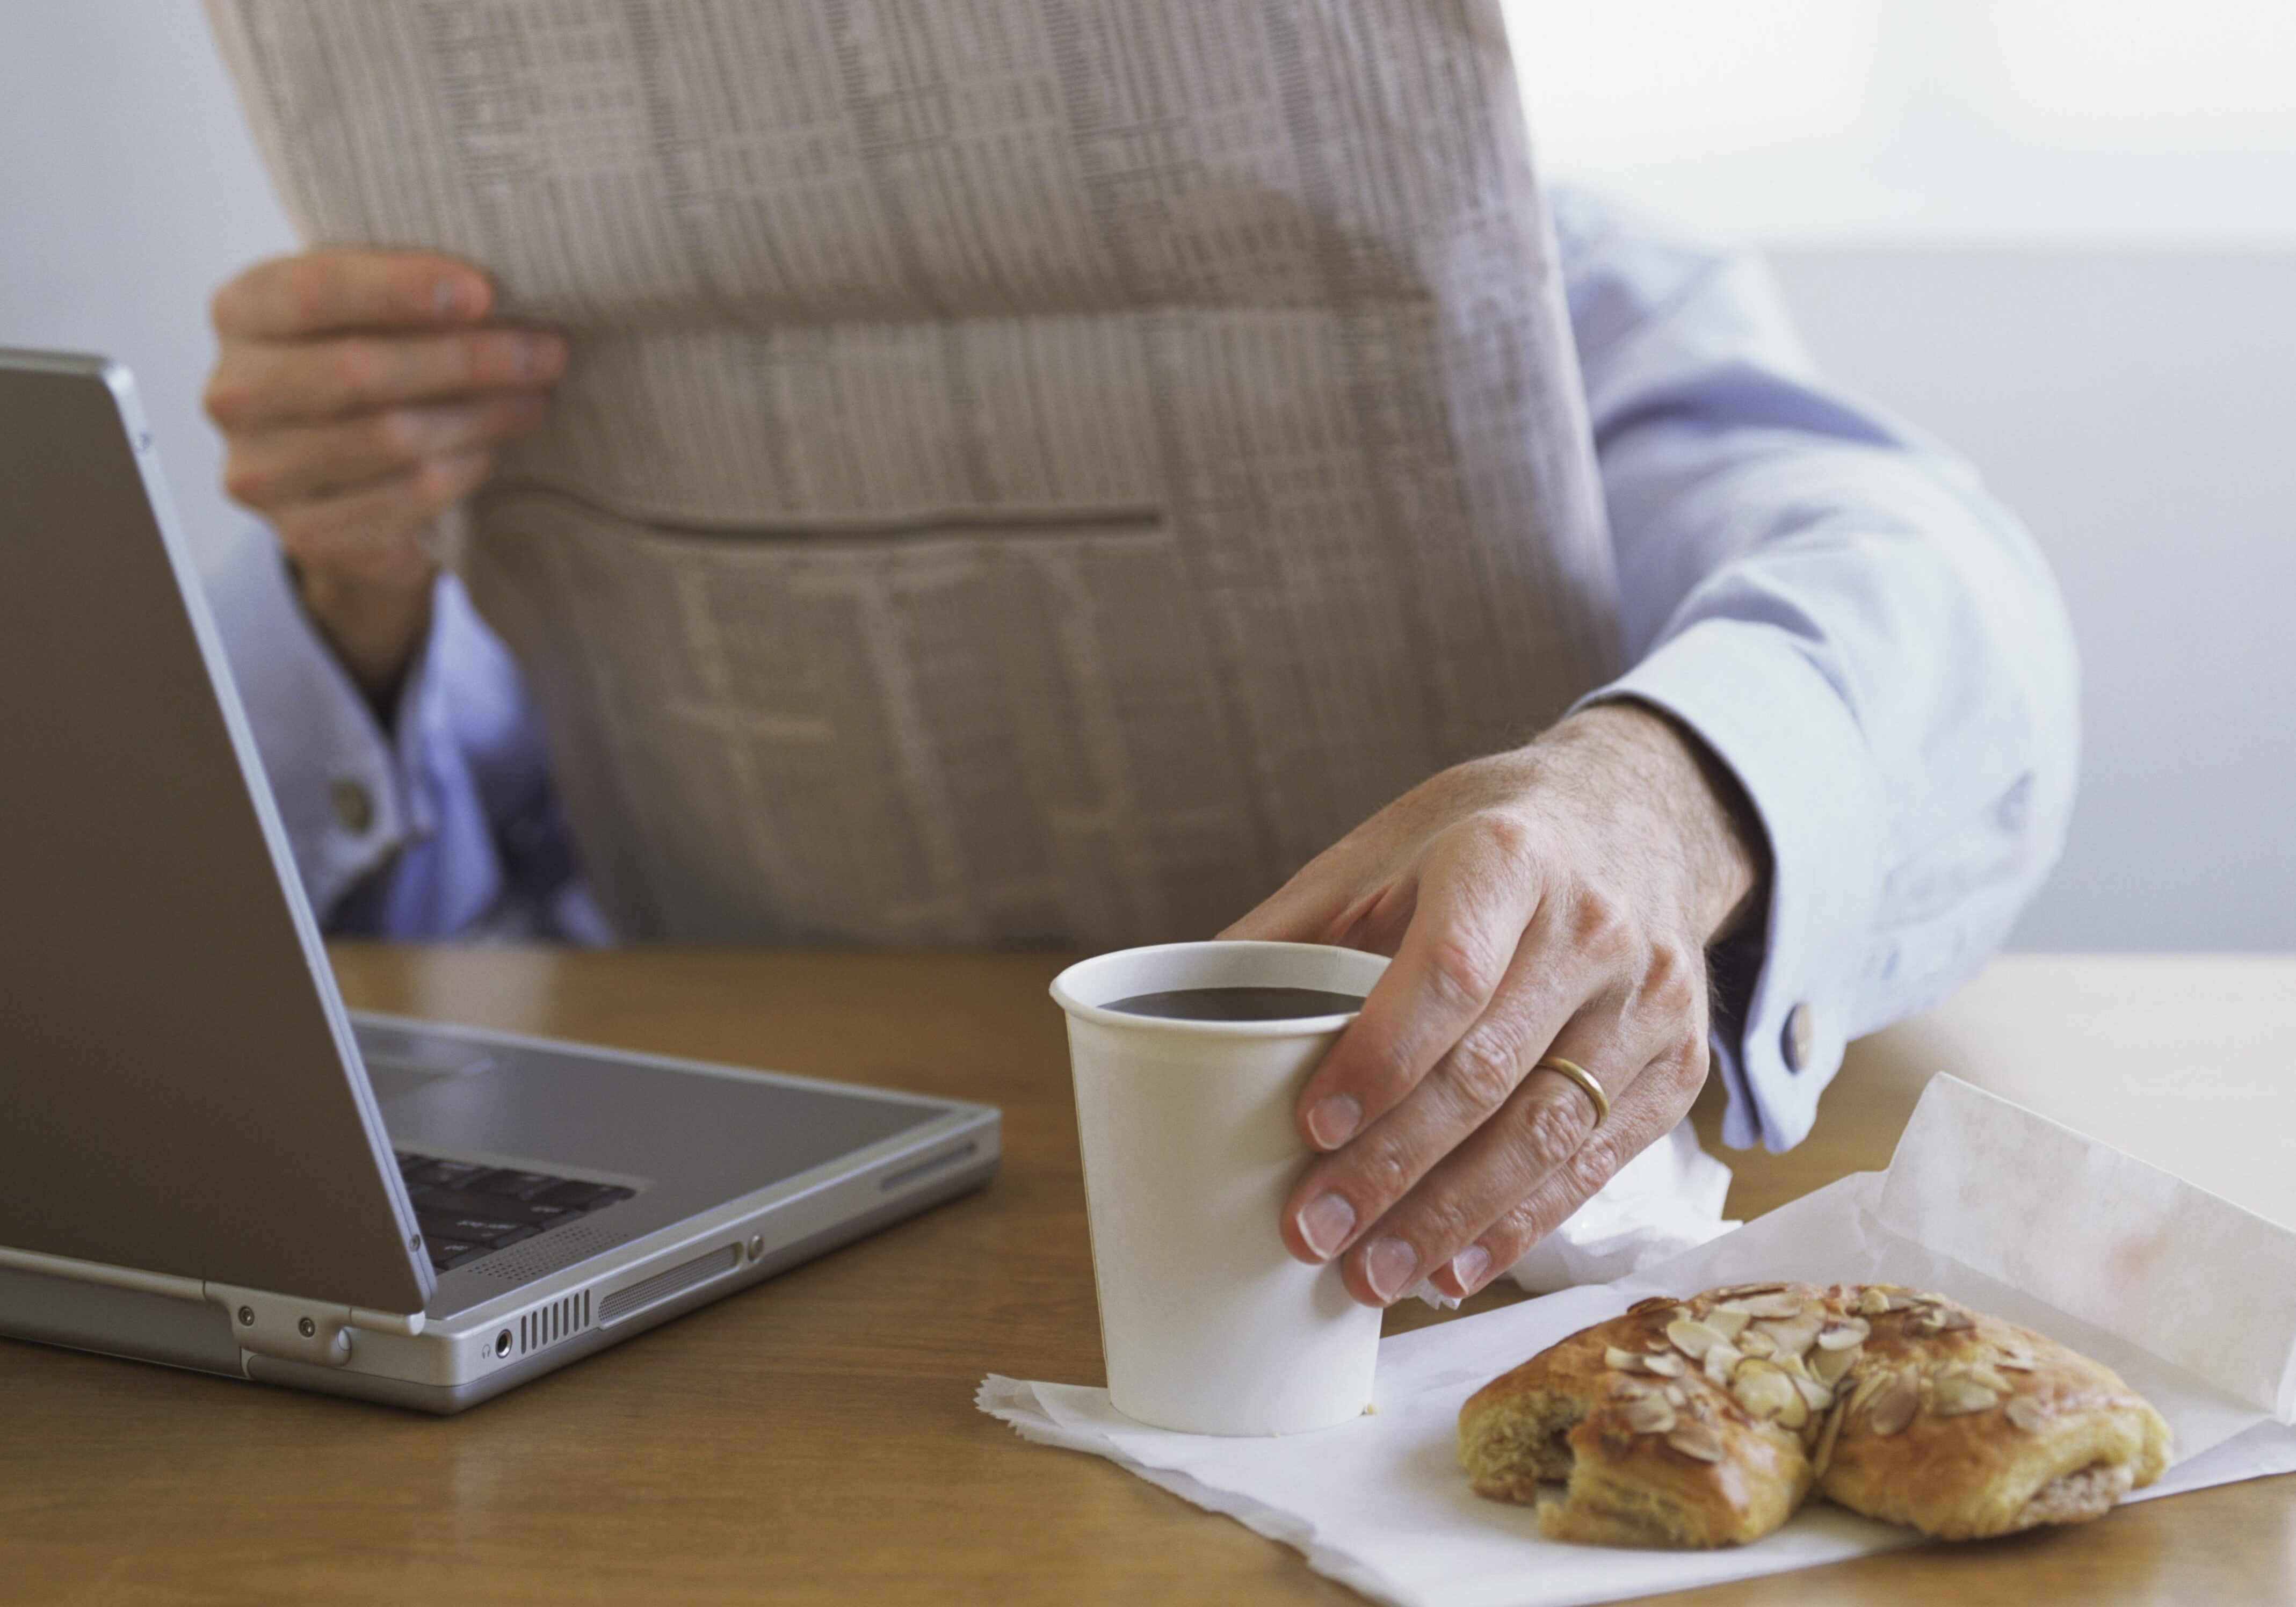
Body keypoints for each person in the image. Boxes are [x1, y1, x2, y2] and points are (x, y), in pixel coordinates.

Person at [200, 186, 2077, 1314]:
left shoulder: (1557, 270)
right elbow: (401, 927)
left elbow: (1942, 589)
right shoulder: (556, 318)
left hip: (1386, 1293)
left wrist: (1663, 792)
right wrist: (354, 584)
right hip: (781, 1237)